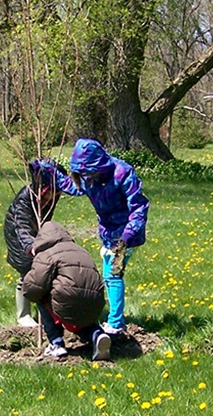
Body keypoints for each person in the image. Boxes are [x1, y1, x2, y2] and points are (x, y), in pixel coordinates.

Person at [63, 138, 149, 335]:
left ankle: (116, 324)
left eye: (89, 172)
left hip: (127, 234)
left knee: (113, 274)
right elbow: (74, 186)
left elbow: (139, 207)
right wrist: (49, 173)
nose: (86, 177)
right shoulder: (87, 176)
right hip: (108, 233)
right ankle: (115, 320)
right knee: (109, 275)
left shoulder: (122, 173)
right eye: (82, 173)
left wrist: (126, 238)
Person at [22, 221, 111, 361]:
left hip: (69, 301)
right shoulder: (81, 250)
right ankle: (97, 334)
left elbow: (33, 288)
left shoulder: (47, 254)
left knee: (42, 297)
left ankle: (56, 343)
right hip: (95, 303)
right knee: (80, 314)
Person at [4, 158, 66, 327]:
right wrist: (31, 246)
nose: (56, 196)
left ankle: (46, 312)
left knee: (46, 270)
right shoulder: (27, 198)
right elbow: (21, 224)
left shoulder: (52, 196)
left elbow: (45, 219)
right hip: (19, 234)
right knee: (28, 269)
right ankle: (23, 315)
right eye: (53, 192)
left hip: (37, 233)